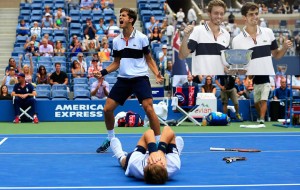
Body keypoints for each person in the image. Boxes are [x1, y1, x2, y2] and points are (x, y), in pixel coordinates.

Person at [94, 8, 163, 153]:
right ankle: (111, 139)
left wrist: (156, 73)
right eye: (120, 15)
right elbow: (116, 63)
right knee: (107, 109)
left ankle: (158, 142)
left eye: (123, 15)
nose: (120, 17)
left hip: (140, 78)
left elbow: (149, 59)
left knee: (149, 108)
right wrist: (103, 72)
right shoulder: (116, 41)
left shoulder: (142, 38)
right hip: (123, 79)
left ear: (131, 19)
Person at [231, 2, 293, 75]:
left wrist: (284, 48)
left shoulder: (268, 32)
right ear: (244, 17)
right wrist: (238, 70)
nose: (255, 16)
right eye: (251, 14)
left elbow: (276, 55)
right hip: (252, 82)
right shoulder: (236, 41)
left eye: (256, 13)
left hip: (269, 80)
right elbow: (238, 67)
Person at [110, 126, 184, 184]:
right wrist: (161, 151)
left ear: (147, 163)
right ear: (164, 165)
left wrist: (152, 152)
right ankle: (175, 152)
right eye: (159, 161)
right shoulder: (173, 165)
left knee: (125, 161)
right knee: (172, 147)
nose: (156, 159)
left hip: (136, 161)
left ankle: (120, 155)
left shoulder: (136, 164)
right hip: (170, 160)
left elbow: (149, 132)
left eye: (152, 162)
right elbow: (168, 129)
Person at [179, 0, 230, 75]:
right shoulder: (197, 30)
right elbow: (182, 56)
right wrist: (185, 37)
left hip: (218, 81)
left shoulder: (226, 34)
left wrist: (228, 69)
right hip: (201, 81)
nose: (219, 16)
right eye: (216, 13)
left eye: (221, 14)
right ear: (209, 14)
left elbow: (224, 62)